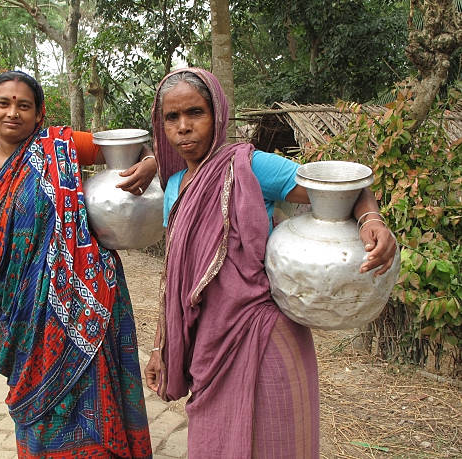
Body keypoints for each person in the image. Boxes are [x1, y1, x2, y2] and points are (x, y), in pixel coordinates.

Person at [144, 68, 398, 458]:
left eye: (195, 113)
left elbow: (340, 185)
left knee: (277, 441)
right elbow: (175, 278)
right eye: (172, 118)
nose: (183, 127)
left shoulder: (250, 166)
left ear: (218, 115)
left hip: (264, 335)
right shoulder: (174, 187)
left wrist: (371, 219)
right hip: (209, 347)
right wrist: (162, 347)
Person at [0, 70, 155, 458]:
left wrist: (150, 161)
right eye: (3, 103)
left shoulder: (61, 146)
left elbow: (128, 147)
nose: (13, 112)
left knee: (94, 392)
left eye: (24, 105)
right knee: (36, 402)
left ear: (39, 114)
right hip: (23, 315)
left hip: (84, 303)